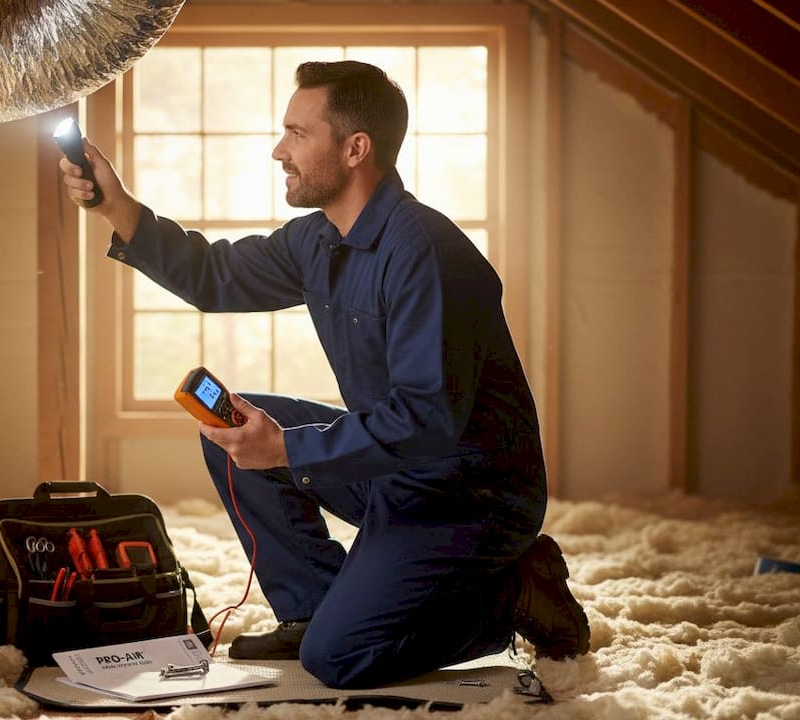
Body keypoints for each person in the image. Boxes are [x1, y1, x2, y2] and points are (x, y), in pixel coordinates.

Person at [59, 60, 589, 690]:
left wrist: (286, 448)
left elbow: (426, 419)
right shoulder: (318, 238)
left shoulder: (427, 253)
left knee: (339, 659)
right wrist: (116, 205)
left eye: (297, 134)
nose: (279, 150)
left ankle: (513, 592)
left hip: (469, 494)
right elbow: (213, 276)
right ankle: (312, 608)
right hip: (397, 467)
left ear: (355, 148)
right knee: (231, 431)